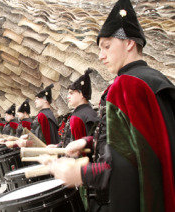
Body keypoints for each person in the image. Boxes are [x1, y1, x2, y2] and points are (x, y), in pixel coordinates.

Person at [40, 0, 175, 211]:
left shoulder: (127, 85)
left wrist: (81, 173)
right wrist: (87, 141)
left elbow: (131, 168)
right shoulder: (153, 79)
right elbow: (137, 144)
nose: (101, 55)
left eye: (107, 46)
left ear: (129, 43)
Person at [60, 69, 98, 148]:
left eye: (71, 93)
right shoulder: (89, 113)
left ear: (82, 94)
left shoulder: (78, 117)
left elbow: (79, 150)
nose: (68, 97)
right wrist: (57, 146)